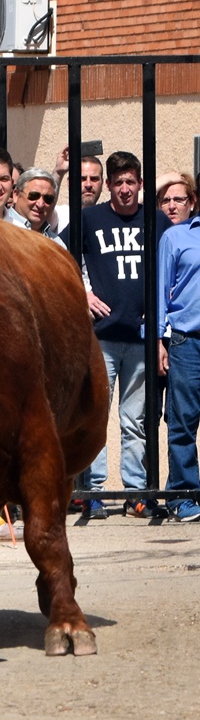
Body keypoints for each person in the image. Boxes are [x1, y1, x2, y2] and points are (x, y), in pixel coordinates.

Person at [67, 151, 174, 520]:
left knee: (135, 421)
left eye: (131, 182)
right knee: (95, 416)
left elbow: (173, 263)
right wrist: (82, 292)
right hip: (101, 337)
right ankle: (93, 493)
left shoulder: (157, 220)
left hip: (142, 337)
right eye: (118, 183)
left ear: (140, 184)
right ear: (109, 186)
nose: (125, 189)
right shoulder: (89, 219)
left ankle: (135, 492)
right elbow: (59, 254)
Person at [157, 210, 200, 521]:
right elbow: (160, 290)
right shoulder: (176, 236)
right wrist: (158, 339)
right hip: (187, 340)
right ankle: (183, 495)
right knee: (183, 421)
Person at [6, 167, 64, 247]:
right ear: (16, 195)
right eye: (34, 196)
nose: (40, 204)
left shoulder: (57, 243)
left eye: (48, 198)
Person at [52, 151, 105, 233]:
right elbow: (46, 209)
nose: (88, 185)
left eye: (94, 179)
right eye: (82, 179)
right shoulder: (61, 215)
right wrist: (58, 173)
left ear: (102, 183)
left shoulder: (107, 218)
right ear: (70, 183)